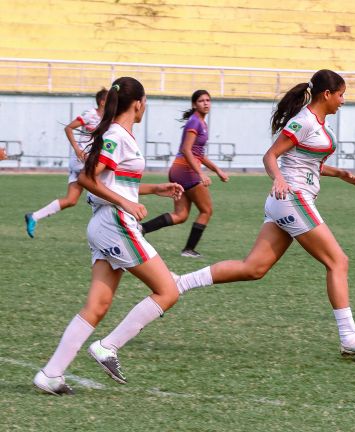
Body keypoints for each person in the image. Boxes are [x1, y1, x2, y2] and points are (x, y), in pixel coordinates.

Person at [173, 69, 355, 357]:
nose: (343, 101)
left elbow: (306, 161)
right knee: (338, 261)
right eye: (341, 94)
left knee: (254, 268)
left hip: (288, 200)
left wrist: (340, 173)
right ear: (327, 94)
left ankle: (180, 282)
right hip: (292, 198)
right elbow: (271, 155)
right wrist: (279, 178)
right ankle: (349, 337)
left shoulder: (317, 123)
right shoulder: (304, 121)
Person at [33, 77, 184, 395]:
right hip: (115, 223)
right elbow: (89, 178)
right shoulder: (117, 135)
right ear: (139, 103)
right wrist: (125, 202)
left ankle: (51, 374)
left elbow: (115, 182)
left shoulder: (117, 134)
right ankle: (108, 347)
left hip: (105, 222)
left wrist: (154, 189)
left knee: (97, 305)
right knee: (167, 291)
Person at [140, 90, 229, 258]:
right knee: (206, 210)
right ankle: (188, 250)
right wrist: (200, 173)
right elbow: (186, 150)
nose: (206, 103)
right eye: (201, 101)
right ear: (195, 104)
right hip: (186, 171)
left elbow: (199, 154)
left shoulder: (200, 122)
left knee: (180, 215)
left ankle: (142, 229)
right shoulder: (195, 122)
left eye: (208, 100)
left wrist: (217, 170)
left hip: (179, 170)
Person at [24, 88, 108, 238]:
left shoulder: (108, 118)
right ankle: (108, 226)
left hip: (87, 160)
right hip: (81, 160)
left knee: (71, 200)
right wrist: (77, 148)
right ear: (102, 102)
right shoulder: (90, 114)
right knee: (104, 186)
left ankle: (34, 216)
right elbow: (68, 128)